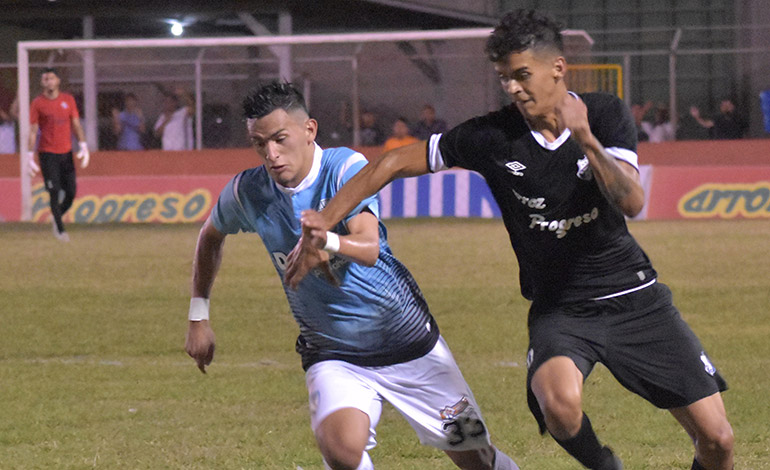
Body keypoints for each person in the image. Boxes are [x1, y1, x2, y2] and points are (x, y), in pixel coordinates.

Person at [285, 10, 734, 470]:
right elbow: (391, 164)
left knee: (718, 441)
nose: (514, 89)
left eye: (522, 75)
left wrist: (585, 137)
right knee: (557, 404)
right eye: (504, 79)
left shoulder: (603, 113)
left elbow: (632, 201)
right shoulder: (492, 136)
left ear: (557, 68)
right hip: (561, 310)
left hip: (635, 298)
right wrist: (324, 219)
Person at [184, 82, 520, 470]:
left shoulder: (344, 167)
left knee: (477, 460)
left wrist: (325, 242)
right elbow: (210, 236)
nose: (271, 155)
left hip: (409, 344)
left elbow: (369, 245)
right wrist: (198, 316)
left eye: (280, 139)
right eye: (260, 144)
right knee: (342, 451)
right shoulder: (249, 191)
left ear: (309, 130)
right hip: (333, 353)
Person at [28, 67, 90, 242]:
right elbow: (33, 130)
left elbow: (76, 124)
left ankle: (57, 218)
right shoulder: (38, 103)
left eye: (51, 78)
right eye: (45, 79)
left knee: (71, 192)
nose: (49, 82)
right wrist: (28, 155)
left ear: (58, 81)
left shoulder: (68, 100)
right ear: (42, 83)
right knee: (53, 191)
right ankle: (61, 230)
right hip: (48, 154)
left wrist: (84, 146)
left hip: (66, 153)